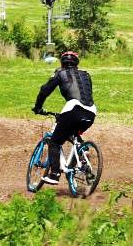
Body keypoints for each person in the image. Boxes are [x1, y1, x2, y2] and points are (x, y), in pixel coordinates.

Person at [31, 51, 97, 185]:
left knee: (55, 142)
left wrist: (38, 107)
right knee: (74, 135)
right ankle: (83, 158)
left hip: (73, 109)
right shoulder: (86, 74)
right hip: (91, 112)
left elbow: (45, 90)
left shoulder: (60, 73)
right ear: (77, 63)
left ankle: (54, 174)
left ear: (62, 63)